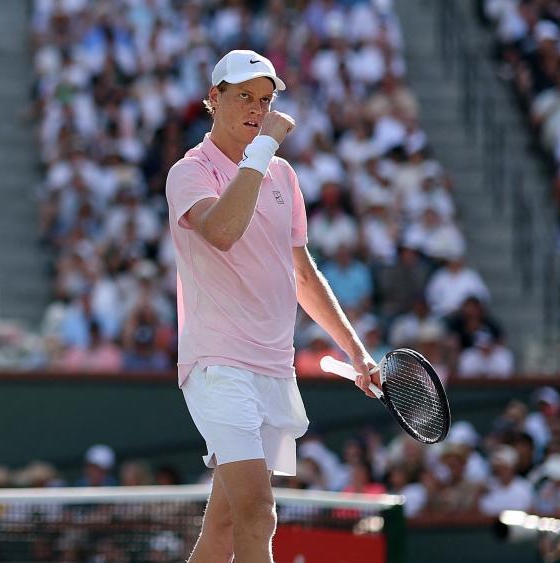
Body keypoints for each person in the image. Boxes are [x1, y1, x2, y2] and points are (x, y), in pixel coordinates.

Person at [165, 49, 380, 563]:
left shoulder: (282, 175)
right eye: (244, 96)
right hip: (219, 366)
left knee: (223, 527)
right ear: (214, 98)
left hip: (275, 368)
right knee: (260, 513)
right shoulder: (189, 172)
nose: (256, 109)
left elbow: (302, 275)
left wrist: (356, 352)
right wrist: (264, 147)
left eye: (264, 100)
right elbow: (221, 231)